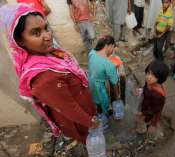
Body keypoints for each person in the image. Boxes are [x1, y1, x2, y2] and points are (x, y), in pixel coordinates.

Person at [0, 4, 99, 143]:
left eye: (46, 28)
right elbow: (69, 108)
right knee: (90, 141)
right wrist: (91, 122)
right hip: (80, 120)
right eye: (36, 33)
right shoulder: (44, 78)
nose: (47, 36)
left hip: (84, 107)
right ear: (20, 41)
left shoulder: (48, 54)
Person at [88, 36, 120, 120]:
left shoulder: (92, 52)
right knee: (103, 102)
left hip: (90, 82)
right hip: (99, 87)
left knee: (94, 100)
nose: (113, 50)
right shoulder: (108, 64)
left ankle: (97, 111)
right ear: (109, 46)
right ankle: (104, 116)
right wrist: (117, 95)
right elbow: (114, 83)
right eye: (113, 47)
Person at [136, 60, 169, 139]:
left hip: (149, 112)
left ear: (160, 78)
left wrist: (143, 114)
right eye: (148, 73)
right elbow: (145, 88)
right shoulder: (149, 82)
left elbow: (155, 111)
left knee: (143, 121)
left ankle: (141, 130)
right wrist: (141, 90)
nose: (149, 77)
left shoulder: (158, 95)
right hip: (146, 104)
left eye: (154, 76)